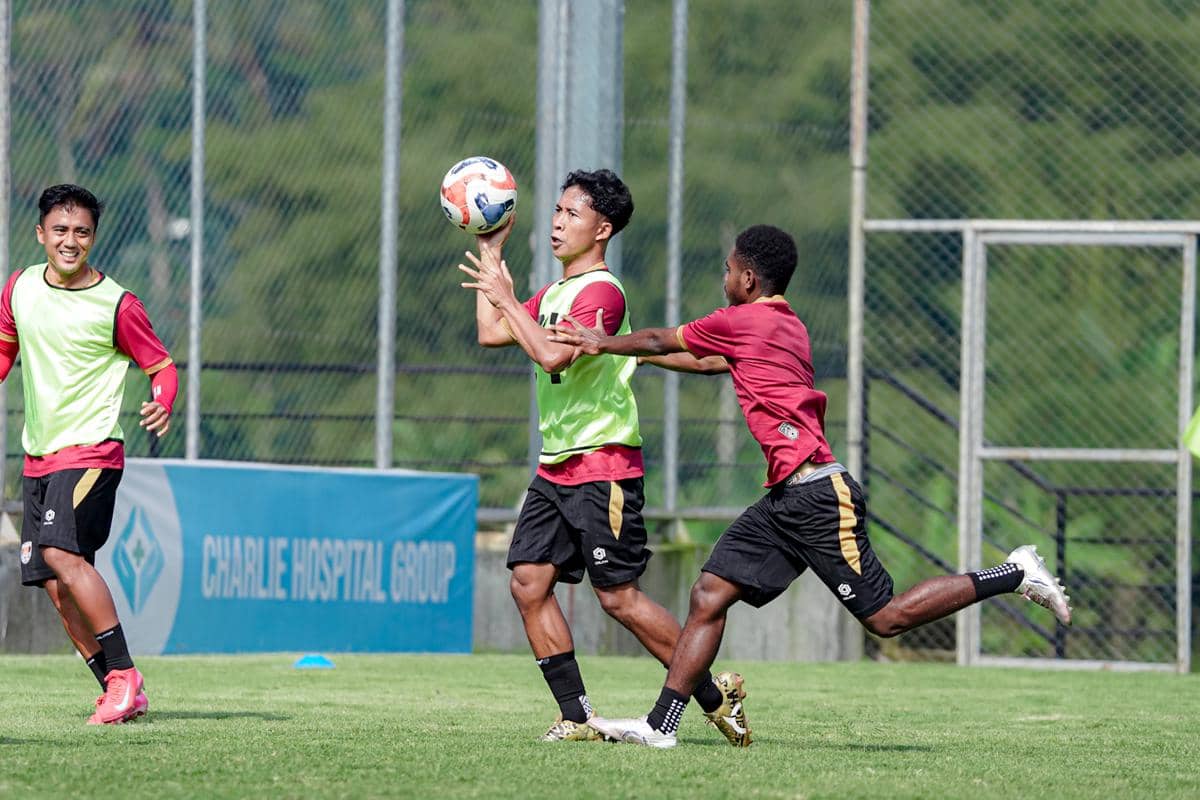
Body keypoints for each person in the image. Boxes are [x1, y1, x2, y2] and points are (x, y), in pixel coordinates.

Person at [549, 223, 1072, 749]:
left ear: (748, 278)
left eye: (727, 271)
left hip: (818, 495)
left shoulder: (743, 319)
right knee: (709, 593)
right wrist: (631, 355)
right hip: (785, 498)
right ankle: (660, 726)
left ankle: (1013, 573)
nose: (723, 279)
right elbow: (709, 361)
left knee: (886, 618)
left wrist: (604, 341)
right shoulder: (783, 323)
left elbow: (668, 337)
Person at [457, 169, 748, 745]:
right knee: (528, 582)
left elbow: (550, 357)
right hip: (555, 465)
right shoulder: (554, 293)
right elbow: (492, 332)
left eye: (572, 213)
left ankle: (714, 693)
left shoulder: (601, 294)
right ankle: (577, 716)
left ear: (602, 228)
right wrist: (491, 248)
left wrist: (511, 300)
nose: (558, 222)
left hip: (603, 466)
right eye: (557, 211)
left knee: (618, 598)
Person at [0, 184, 177, 725]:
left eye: (81, 232)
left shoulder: (117, 304)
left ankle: (125, 675)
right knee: (55, 587)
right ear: (41, 234)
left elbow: (161, 366)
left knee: (62, 555)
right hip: (39, 458)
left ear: (93, 238)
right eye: (60, 230)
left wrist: (163, 402)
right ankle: (117, 690)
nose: (70, 241)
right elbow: (5, 348)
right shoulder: (20, 288)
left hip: (93, 451)